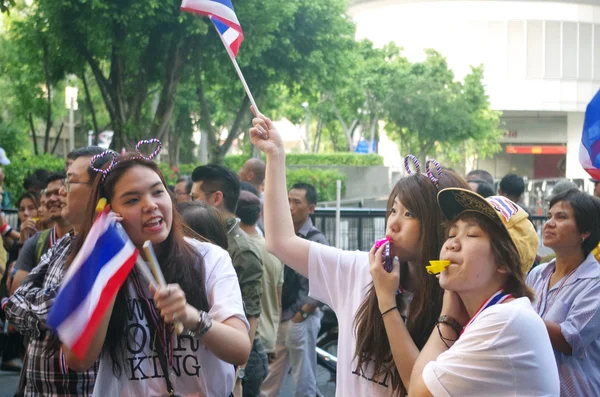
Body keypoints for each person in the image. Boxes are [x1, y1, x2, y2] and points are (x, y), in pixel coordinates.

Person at [249, 110, 470, 396]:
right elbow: (280, 241)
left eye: (410, 213)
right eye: (393, 209)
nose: (393, 222)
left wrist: (387, 299)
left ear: (439, 225)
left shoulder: (458, 299)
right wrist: (276, 156)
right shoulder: (359, 269)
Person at [62, 151, 251, 396]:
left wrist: (190, 315)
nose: (150, 205)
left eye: (157, 192)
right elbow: (78, 360)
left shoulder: (210, 258)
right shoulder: (96, 265)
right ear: (109, 211)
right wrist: (107, 272)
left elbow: (240, 349)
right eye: (132, 200)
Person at [395, 188, 559, 396]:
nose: (451, 244)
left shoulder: (504, 320)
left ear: (503, 261)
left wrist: (447, 319)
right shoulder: (500, 314)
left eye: (471, 234)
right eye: (452, 234)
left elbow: (418, 392)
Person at [4, 146, 106, 396]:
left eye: (69, 183)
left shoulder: (106, 248)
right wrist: (54, 315)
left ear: (98, 190)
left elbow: (61, 303)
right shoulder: (63, 242)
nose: (61, 193)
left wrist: (53, 309)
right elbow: (14, 301)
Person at [191, 164, 266, 397]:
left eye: (195, 197)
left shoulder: (241, 249)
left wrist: (238, 375)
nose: (191, 204)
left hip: (238, 361)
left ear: (216, 198)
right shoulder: (206, 236)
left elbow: (251, 314)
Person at [527, 188, 600, 396]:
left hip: (575, 389)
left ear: (585, 232)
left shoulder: (594, 281)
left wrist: (518, 315)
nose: (549, 223)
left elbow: (570, 340)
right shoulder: (538, 274)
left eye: (561, 217)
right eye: (550, 216)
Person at [261, 182, 328, 397]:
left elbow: (323, 282)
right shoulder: (281, 235)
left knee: (303, 375)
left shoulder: (316, 239)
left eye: (296, 202)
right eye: (288, 200)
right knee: (272, 374)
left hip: (300, 318)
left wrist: (303, 314)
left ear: (311, 208)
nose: (290, 206)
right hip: (281, 316)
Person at [236, 191, 283, 388]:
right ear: (259, 215)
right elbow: (278, 300)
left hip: (246, 340)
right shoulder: (274, 250)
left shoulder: (236, 250)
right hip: (267, 339)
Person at [10, 172, 72, 295]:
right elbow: (16, 294)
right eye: (48, 194)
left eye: (57, 192)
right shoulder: (35, 243)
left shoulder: (90, 239)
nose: (52, 199)